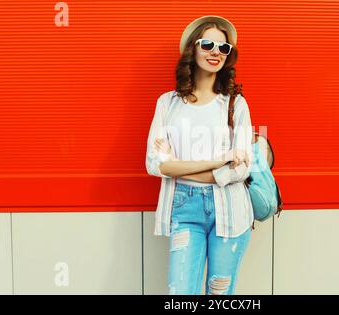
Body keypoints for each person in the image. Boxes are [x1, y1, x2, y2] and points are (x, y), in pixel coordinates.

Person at [145, 15, 254, 295]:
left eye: (223, 48)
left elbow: (241, 169)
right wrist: (219, 161)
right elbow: (155, 164)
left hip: (230, 210)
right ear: (192, 49)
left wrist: (178, 166)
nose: (215, 52)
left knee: (219, 295)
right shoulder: (168, 104)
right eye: (207, 45)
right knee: (181, 294)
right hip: (185, 208)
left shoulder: (235, 104)